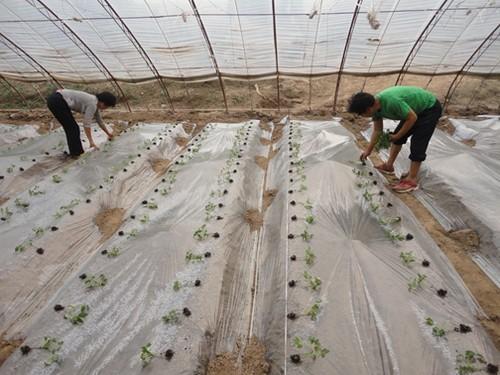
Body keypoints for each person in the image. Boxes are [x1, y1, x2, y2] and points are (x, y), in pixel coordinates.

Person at [348, 86, 442, 193]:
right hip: (414, 111)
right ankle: (389, 166)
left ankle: (411, 180)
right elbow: (377, 131)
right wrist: (368, 150)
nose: (361, 116)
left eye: (361, 113)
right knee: (397, 138)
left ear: (368, 109)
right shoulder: (375, 109)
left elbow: (412, 118)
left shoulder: (391, 101)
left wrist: (397, 135)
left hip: (429, 108)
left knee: (418, 143)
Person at [47, 89, 116, 158]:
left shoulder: (94, 102)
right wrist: (91, 142)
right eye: (107, 106)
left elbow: (99, 121)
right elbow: (86, 123)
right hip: (57, 100)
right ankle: (76, 154)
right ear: (103, 103)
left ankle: (76, 153)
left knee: (71, 127)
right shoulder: (92, 104)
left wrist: (108, 134)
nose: (105, 108)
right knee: (73, 128)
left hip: (55, 99)